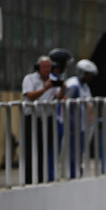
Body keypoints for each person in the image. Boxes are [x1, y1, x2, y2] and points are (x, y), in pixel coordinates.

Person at [21, 55, 62, 183]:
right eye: (44, 66)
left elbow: (57, 98)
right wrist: (45, 88)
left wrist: (63, 89)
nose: (47, 69)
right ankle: (28, 180)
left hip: (47, 119)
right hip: (32, 119)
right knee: (30, 150)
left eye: (49, 67)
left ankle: (41, 178)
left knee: (44, 150)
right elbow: (29, 96)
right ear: (38, 67)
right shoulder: (30, 79)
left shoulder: (53, 79)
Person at [65, 59, 98, 177]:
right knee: (73, 150)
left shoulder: (85, 86)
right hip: (74, 124)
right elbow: (65, 104)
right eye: (89, 75)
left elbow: (89, 104)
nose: (90, 78)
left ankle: (77, 170)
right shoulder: (73, 85)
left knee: (80, 150)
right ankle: (73, 173)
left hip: (83, 124)